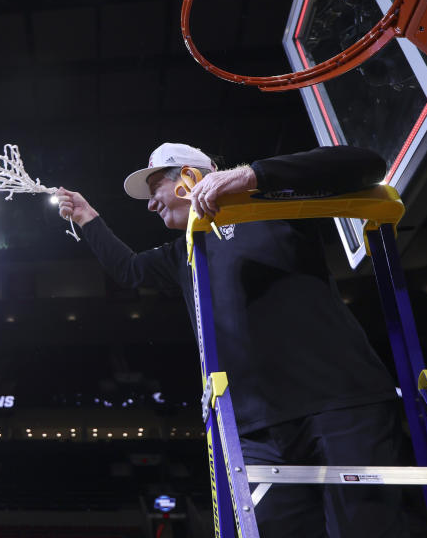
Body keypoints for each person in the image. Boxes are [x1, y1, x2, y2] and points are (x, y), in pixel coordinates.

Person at [56, 143, 408, 538]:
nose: (151, 205)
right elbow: (130, 270)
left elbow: (367, 163)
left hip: (341, 403)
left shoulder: (273, 205)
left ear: (190, 178)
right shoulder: (183, 252)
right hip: (256, 428)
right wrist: (88, 218)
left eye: (156, 187)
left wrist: (251, 176)